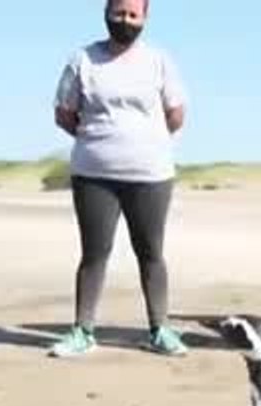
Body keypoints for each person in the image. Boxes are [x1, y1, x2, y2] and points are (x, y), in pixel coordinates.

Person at [50, 0, 188, 357]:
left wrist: (144, 141)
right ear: (106, 13)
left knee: (151, 252)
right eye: (118, 13)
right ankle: (82, 330)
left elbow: (176, 114)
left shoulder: (158, 61)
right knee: (94, 253)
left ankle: (160, 330)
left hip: (150, 175)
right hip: (94, 174)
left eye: (132, 15)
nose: (124, 20)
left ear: (144, 18)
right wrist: (100, 139)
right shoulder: (83, 59)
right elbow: (65, 113)